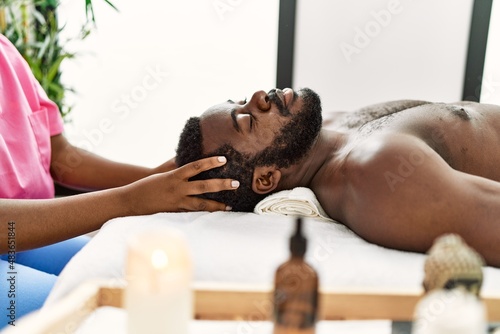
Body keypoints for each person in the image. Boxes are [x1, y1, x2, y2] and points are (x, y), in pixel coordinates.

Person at [0, 33, 239, 326]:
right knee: (87, 311)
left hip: (23, 234)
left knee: (125, 277)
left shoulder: (5, 54)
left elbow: (60, 157)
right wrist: (131, 200)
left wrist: (154, 179)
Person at [175, 87, 500, 268]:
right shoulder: (376, 174)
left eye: (241, 98)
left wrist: (147, 186)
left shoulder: (325, 128)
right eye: (247, 121)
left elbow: (178, 165)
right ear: (266, 179)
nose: (260, 96)